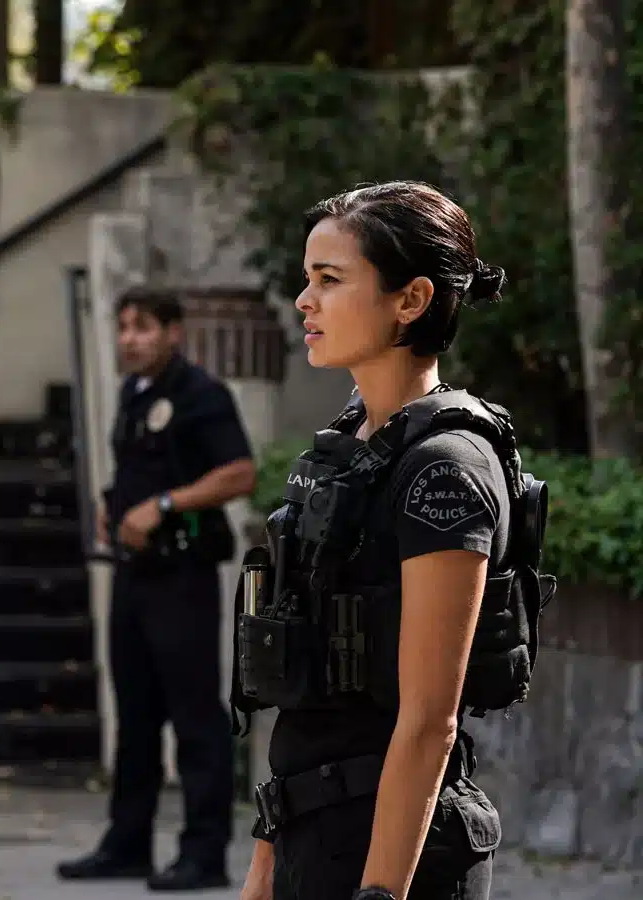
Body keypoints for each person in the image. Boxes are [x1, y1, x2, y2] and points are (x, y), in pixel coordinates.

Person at [233, 181, 551, 900]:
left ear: (411, 300)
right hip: (313, 836)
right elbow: (309, 700)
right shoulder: (348, 447)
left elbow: (429, 722)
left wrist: (380, 893)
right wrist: (265, 869)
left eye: (329, 279)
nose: (304, 301)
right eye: (307, 279)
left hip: (399, 855)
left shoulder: (445, 470)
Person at [57, 291, 257, 892]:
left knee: (193, 715)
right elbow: (140, 468)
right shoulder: (133, 394)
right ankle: (127, 843)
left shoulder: (201, 395)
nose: (129, 339)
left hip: (181, 574)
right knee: (136, 714)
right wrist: (113, 504)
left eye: (142, 327)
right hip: (134, 573)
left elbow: (239, 473)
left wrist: (164, 505)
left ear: (174, 332)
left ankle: (204, 852)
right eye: (122, 327)